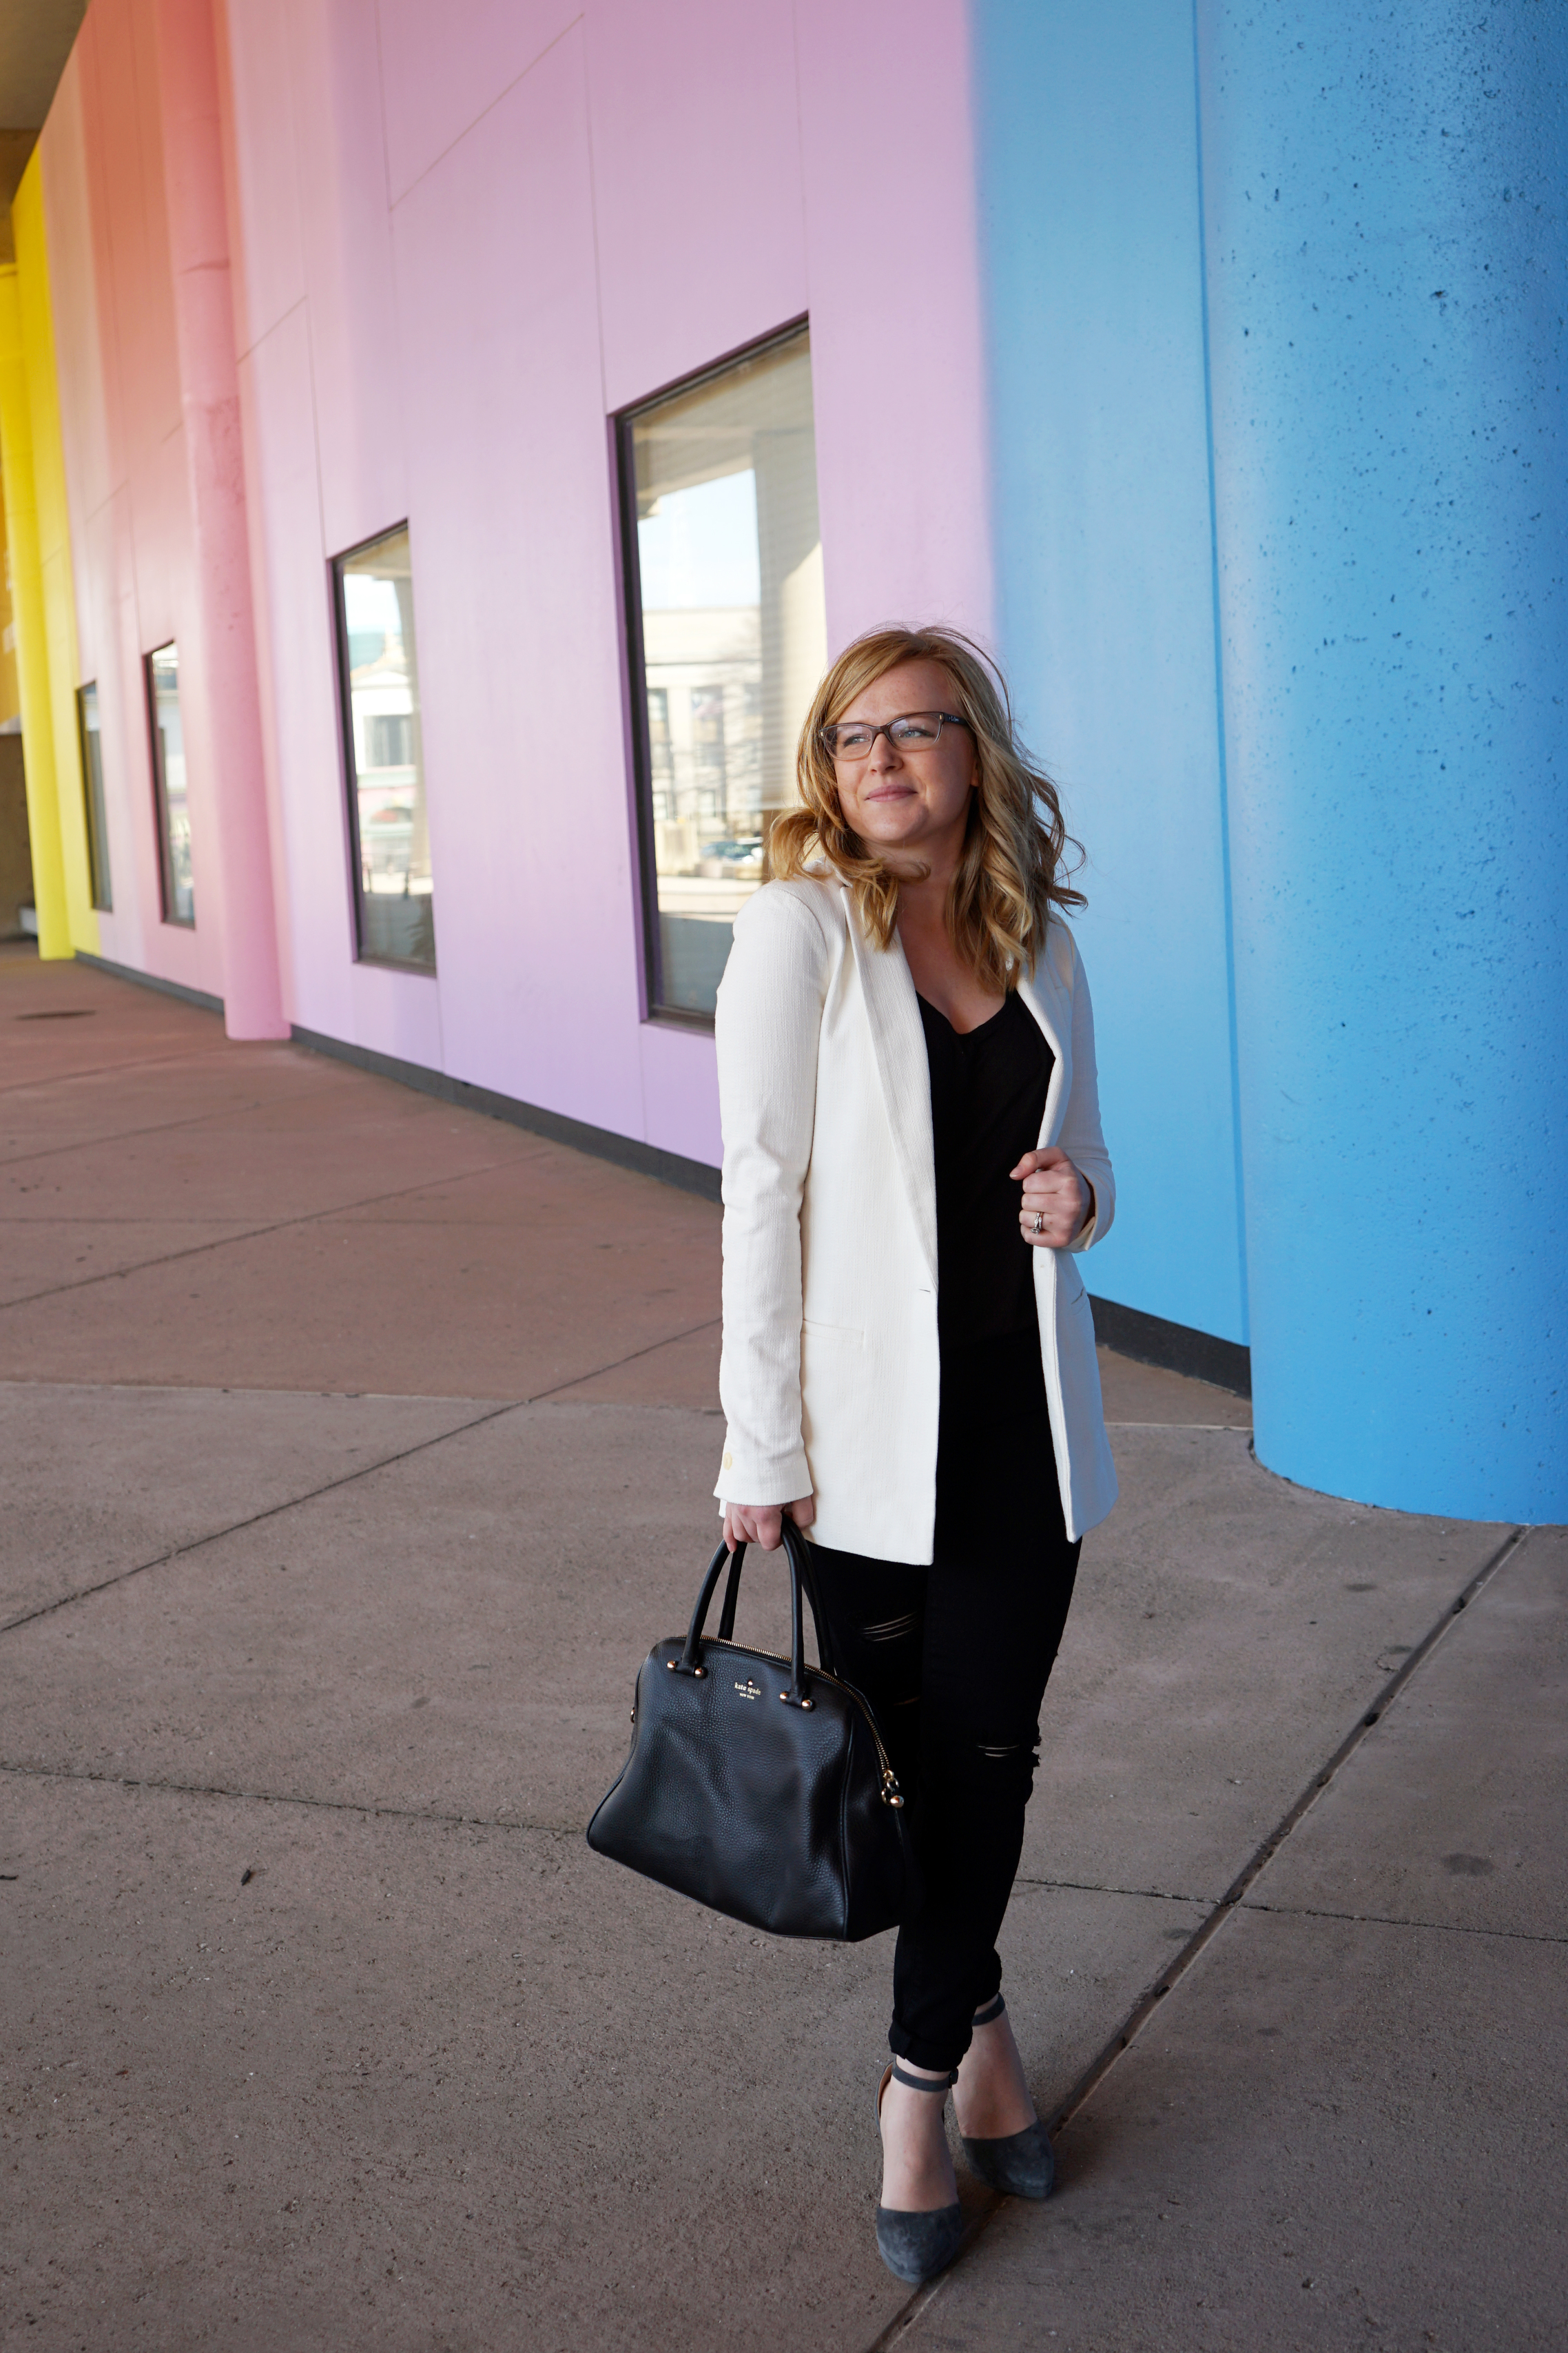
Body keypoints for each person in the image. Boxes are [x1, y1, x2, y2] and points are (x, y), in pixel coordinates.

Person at [712, 624, 1117, 2286]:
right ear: (828, 767)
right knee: (918, 1778)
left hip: (1023, 1439)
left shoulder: (1041, 944)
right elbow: (758, 1194)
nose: (881, 759)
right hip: (864, 1452)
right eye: (852, 735)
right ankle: (990, 2044)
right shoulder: (800, 932)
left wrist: (1077, 1202)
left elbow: (1082, 1162)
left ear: (973, 755)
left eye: (917, 730)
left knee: (989, 1762)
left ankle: (913, 2089)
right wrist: (759, 1440)